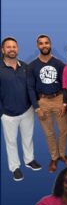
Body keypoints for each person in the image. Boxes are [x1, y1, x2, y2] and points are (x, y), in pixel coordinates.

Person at [1, 37, 41, 180]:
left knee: (28, 138)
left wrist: (34, 106)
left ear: (17, 49)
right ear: (3, 50)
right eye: (8, 47)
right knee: (11, 141)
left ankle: (29, 160)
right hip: (7, 113)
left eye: (14, 47)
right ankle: (15, 167)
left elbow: (31, 88)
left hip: (26, 110)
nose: (12, 49)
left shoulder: (25, 66)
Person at [28, 34, 67, 172]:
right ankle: (54, 157)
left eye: (46, 43)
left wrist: (64, 103)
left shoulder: (59, 64)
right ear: (37, 46)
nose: (44, 45)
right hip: (43, 101)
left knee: (63, 130)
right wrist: (36, 107)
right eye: (41, 43)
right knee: (49, 132)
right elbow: (30, 88)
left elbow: (66, 85)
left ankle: (63, 155)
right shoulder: (32, 66)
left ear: (50, 44)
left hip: (58, 98)